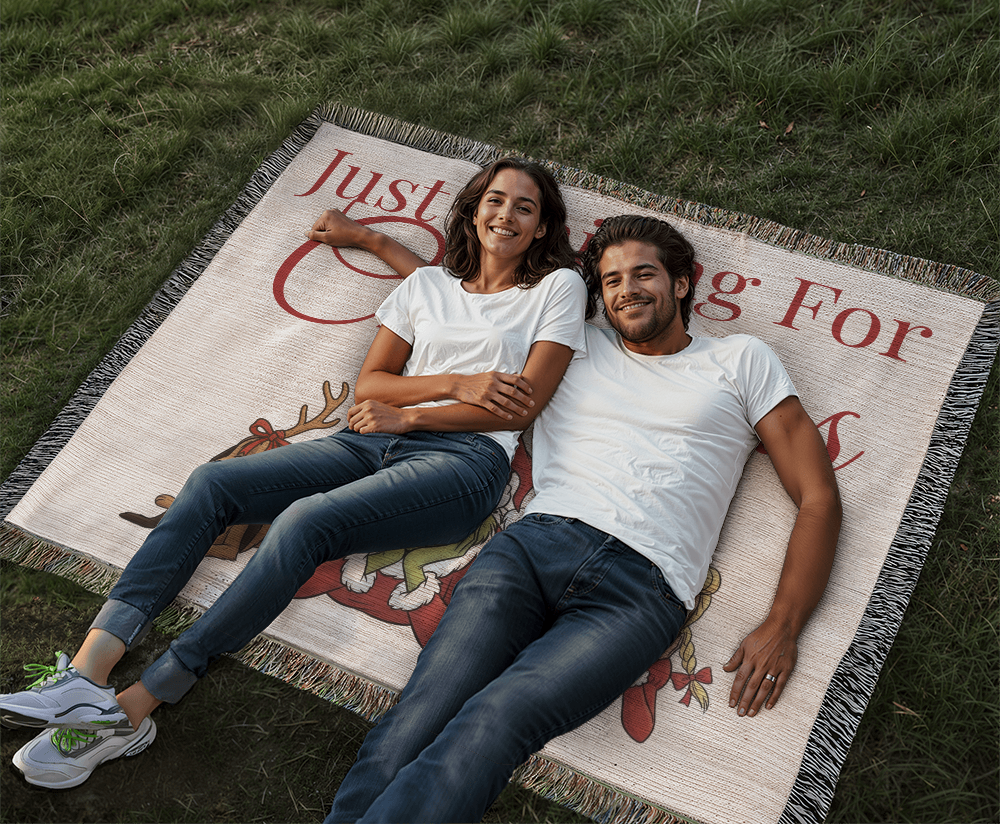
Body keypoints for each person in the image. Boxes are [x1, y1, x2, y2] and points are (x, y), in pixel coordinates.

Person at [1, 158, 589, 790]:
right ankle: (87, 677)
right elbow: (372, 382)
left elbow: (524, 402)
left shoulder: (556, 288)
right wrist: (452, 381)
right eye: (495, 200)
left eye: (524, 208)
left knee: (306, 521)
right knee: (213, 483)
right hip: (368, 438)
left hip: (463, 460)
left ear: (540, 228)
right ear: (474, 210)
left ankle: (139, 705)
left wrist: (410, 417)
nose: (506, 215)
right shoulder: (427, 288)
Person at [322, 213, 843, 824]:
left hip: (640, 591)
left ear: (681, 283)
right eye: (611, 279)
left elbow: (818, 497)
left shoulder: (741, 360)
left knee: (497, 720)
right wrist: (373, 240)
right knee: (424, 710)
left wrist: (784, 623)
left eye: (644, 273)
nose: (626, 290)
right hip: (532, 549)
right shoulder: (572, 345)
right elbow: (466, 305)